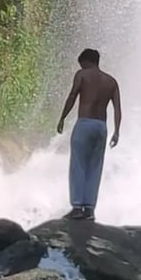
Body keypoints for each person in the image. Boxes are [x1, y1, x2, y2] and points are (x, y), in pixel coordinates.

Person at [56, 48, 121, 221]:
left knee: (78, 164)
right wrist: (117, 131)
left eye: (82, 63)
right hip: (101, 127)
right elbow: (117, 108)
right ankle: (89, 209)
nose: (81, 66)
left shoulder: (82, 74)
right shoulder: (111, 81)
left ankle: (77, 207)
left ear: (87, 61)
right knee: (95, 167)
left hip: (85, 123)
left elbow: (72, 95)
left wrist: (62, 117)